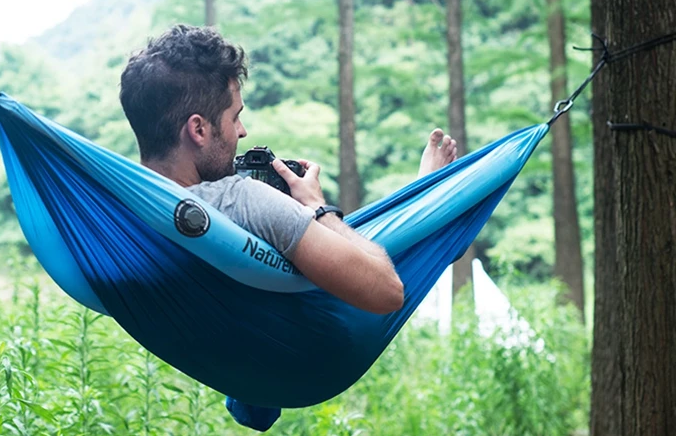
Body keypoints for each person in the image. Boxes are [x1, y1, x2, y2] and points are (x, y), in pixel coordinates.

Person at [119, 25, 457, 315]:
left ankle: (416, 202)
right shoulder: (244, 201)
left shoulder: (118, 212)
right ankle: (423, 203)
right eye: (235, 117)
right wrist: (316, 207)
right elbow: (388, 291)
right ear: (199, 130)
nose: (242, 132)